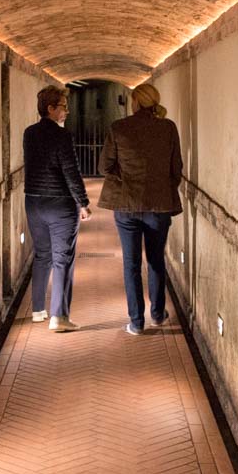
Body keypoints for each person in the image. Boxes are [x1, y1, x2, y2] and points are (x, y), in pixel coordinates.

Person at [98, 82, 183, 335]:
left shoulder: (119, 128)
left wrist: (124, 179)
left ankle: (136, 321)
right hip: (159, 205)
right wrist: (161, 188)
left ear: (134, 102)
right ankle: (157, 314)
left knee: (131, 264)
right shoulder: (167, 128)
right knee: (156, 260)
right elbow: (175, 169)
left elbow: (104, 167)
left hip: (126, 206)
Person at [23, 87, 91, 332]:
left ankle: (38, 310)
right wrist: (83, 202)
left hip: (33, 202)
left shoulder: (29, 134)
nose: (67, 111)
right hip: (59, 204)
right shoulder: (63, 137)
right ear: (50, 109)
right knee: (62, 259)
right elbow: (70, 172)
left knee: (42, 255)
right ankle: (59, 317)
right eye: (63, 106)